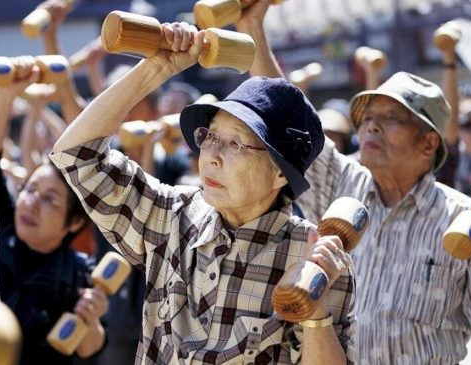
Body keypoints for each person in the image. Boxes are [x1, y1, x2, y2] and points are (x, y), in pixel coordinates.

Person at [50, 22, 355, 364]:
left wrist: (315, 315)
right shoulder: (171, 214)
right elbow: (75, 156)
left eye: (236, 143)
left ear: (280, 174)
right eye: (209, 136)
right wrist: (157, 68)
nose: (211, 155)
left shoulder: (313, 259)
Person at [239, 1, 471, 363]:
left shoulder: (462, 219)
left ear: (428, 142)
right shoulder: (343, 183)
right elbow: (285, 110)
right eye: (367, 118)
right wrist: (253, 27)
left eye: (390, 118)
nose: (371, 126)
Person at [0, 59, 108, 364]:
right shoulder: (0, 228)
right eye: (30, 190)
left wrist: (92, 319)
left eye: (50, 199)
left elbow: (90, 349)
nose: (32, 203)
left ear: (74, 221)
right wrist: (6, 93)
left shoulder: (80, 274)